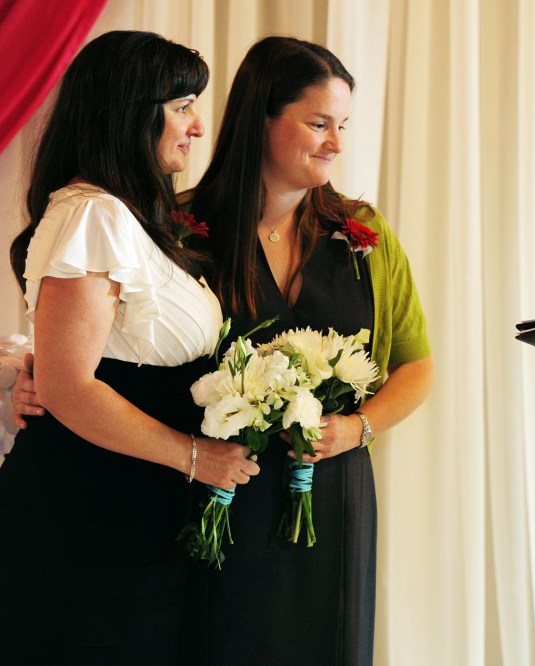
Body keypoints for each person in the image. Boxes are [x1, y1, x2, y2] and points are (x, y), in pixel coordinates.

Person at [0, 31, 260, 663]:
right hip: (88, 513)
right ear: (128, 110)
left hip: (133, 507)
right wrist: (196, 456)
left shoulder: (129, 215)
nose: (198, 127)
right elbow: (69, 386)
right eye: (182, 106)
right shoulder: (96, 215)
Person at [184, 37, 433, 664]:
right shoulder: (181, 231)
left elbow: (415, 363)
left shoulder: (365, 233)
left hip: (333, 496)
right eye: (318, 123)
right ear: (261, 116)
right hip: (211, 494)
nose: (336, 143)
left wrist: (357, 427)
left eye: (342, 125)